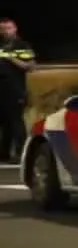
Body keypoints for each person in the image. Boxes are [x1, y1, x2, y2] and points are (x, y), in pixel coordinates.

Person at [0, 17, 35, 166]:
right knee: (5, 123)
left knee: (16, 122)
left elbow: (30, 66)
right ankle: (4, 154)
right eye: (2, 29)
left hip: (15, 90)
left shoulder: (22, 46)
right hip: (1, 90)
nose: (5, 31)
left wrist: (11, 58)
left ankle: (22, 153)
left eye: (8, 28)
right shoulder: (1, 45)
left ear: (15, 29)